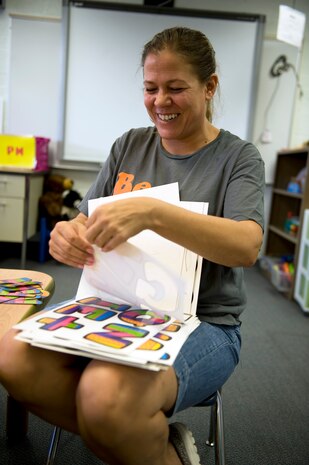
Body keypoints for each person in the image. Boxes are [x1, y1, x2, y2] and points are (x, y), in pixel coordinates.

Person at [0, 26, 264, 465]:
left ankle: (147, 442)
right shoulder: (129, 144)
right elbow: (82, 222)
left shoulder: (238, 158)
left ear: (209, 86)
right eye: (150, 88)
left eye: (176, 88)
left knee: (104, 395)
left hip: (204, 323)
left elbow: (246, 246)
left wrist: (153, 212)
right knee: (11, 355)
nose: (161, 101)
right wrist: (67, 235)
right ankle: (135, 434)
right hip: (112, 307)